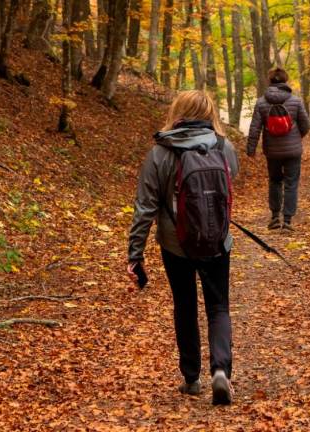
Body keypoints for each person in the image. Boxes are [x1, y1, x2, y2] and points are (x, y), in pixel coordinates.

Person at [127, 90, 239, 405]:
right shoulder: (223, 146)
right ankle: (221, 371)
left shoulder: (160, 152)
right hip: (217, 240)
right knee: (218, 306)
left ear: (178, 111)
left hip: (176, 245)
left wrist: (135, 255)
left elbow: (144, 208)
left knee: (185, 304)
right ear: (209, 113)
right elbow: (229, 185)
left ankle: (191, 378)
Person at [247, 67, 310, 232]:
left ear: (270, 81)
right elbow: (306, 125)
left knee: (275, 181)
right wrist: (297, 137)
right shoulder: (295, 101)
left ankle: (275, 217)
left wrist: (251, 149)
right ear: (285, 81)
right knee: (291, 183)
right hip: (293, 151)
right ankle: (288, 221)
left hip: (272, 151)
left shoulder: (261, 102)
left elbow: (255, 128)